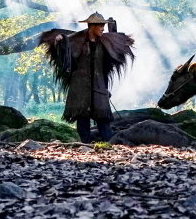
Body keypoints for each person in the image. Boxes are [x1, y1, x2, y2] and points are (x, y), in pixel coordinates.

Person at [39, 13, 135, 143]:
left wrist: (116, 32)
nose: (102, 28)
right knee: (82, 117)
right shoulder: (76, 41)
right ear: (92, 26)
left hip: (99, 84)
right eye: (100, 25)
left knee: (104, 117)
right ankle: (84, 145)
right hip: (80, 85)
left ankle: (109, 145)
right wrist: (60, 41)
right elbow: (63, 51)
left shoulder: (105, 42)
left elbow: (115, 51)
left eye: (103, 25)